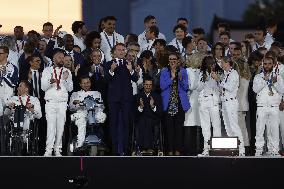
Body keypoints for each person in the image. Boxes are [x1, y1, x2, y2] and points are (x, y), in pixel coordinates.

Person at [104, 43, 138, 155]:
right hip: (113, 99)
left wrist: (131, 70)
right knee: (113, 124)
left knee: (126, 124)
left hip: (126, 99)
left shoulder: (129, 63)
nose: (122, 51)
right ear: (114, 52)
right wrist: (111, 70)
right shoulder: (109, 64)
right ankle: (114, 150)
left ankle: (126, 150)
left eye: (123, 50)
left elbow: (135, 78)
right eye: (119, 50)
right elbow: (106, 79)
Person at [41, 49, 73, 156]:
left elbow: (70, 88)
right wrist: (50, 82)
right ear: (54, 58)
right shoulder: (47, 71)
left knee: (60, 127)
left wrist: (66, 79)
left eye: (63, 57)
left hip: (62, 103)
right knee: (51, 126)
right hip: (50, 102)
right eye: (60, 57)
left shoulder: (67, 71)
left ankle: (58, 149)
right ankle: (48, 149)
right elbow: (43, 88)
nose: (62, 59)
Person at [160, 52, 190, 156]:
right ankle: (170, 150)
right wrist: (171, 78)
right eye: (170, 59)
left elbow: (186, 87)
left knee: (179, 128)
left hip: (179, 103)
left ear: (178, 61)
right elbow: (162, 86)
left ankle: (178, 150)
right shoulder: (164, 72)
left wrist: (180, 79)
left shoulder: (183, 71)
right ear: (168, 62)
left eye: (174, 59)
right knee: (169, 129)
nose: (172, 61)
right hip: (168, 104)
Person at [253, 56, 284, 156]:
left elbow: (282, 90)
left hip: (274, 106)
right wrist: (264, 80)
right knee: (260, 129)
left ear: (273, 64)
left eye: (269, 64)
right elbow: (255, 89)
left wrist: (275, 83)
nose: (267, 66)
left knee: (274, 129)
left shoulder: (278, 76)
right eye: (265, 64)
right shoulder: (258, 76)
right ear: (262, 64)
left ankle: (274, 150)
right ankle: (258, 150)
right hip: (261, 106)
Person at [69, 76, 106, 148]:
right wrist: (76, 103)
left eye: (88, 82)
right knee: (82, 121)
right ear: (80, 84)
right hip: (81, 114)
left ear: (91, 83)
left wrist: (97, 107)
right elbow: (71, 107)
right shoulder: (75, 94)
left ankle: (99, 140)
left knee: (102, 116)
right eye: (84, 83)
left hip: (93, 114)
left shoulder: (97, 93)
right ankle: (80, 144)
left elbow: (101, 106)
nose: (86, 85)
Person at [219, 57, 245, 156]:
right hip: (224, 102)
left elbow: (230, 88)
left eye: (222, 62)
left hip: (231, 102)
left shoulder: (234, 73)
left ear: (227, 63)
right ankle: (233, 149)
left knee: (234, 126)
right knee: (228, 127)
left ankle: (241, 150)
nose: (221, 64)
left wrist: (219, 81)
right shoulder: (225, 74)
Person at [197, 56, 222, 156]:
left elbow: (222, 89)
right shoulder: (201, 73)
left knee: (216, 125)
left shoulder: (219, 73)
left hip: (214, 101)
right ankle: (206, 149)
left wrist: (217, 79)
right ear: (205, 64)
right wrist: (203, 80)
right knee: (205, 126)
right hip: (203, 102)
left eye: (212, 63)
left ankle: (217, 149)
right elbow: (198, 88)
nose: (211, 65)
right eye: (209, 63)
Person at [134, 76, 162, 153]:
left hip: (153, 119)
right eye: (146, 85)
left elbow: (160, 112)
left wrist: (153, 106)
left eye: (150, 85)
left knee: (149, 121)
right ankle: (142, 148)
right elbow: (134, 113)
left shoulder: (157, 96)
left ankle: (150, 148)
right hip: (141, 118)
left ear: (152, 86)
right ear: (143, 85)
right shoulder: (138, 96)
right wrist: (140, 107)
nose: (148, 87)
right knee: (143, 121)